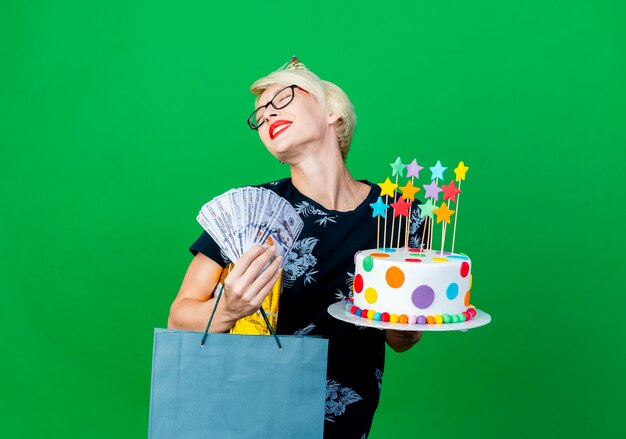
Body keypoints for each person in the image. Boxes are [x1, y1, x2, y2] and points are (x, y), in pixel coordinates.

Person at [168, 57, 423, 438]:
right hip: (253, 414)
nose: (268, 116)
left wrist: (406, 324)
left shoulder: (401, 213)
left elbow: (401, 341)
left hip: (348, 420)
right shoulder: (249, 211)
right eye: (260, 116)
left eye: (282, 99)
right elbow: (179, 317)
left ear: (332, 112)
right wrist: (228, 309)